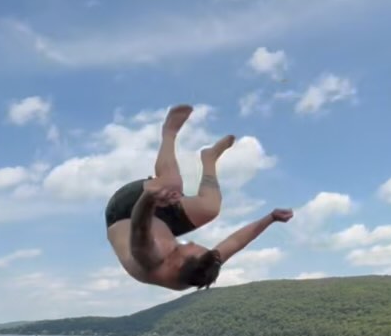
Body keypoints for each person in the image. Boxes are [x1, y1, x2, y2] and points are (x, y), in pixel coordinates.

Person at [105, 105, 293, 291]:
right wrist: (271, 218)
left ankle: (169, 133)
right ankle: (209, 159)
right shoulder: (199, 268)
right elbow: (235, 243)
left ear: (177, 264)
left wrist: (150, 197)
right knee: (210, 208)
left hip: (126, 211)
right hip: (163, 222)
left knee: (171, 184)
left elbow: (140, 227)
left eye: (188, 248)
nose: (191, 243)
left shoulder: (148, 259)